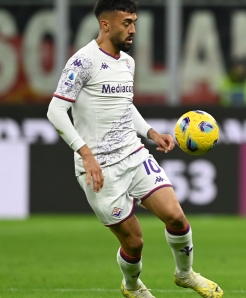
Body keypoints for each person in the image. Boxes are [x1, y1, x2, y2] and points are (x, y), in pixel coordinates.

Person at [46, 1, 223, 297]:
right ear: (105, 25)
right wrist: (85, 154)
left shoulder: (128, 62)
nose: (133, 30)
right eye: (126, 23)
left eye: (134, 22)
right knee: (134, 242)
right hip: (99, 167)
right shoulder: (83, 61)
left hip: (133, 153)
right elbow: (55, 111)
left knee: (177, 217)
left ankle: (185, 274)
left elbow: (125, 107)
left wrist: (151, 132)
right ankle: (132, 287)